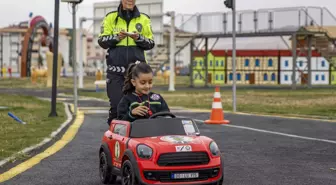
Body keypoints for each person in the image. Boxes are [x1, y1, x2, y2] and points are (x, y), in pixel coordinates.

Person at [97, 0, 155, 125]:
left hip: (136, 74)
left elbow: (150, 43)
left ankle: (136, 139)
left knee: (139, 107)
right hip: (116, 73)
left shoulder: (144, 19)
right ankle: (114, 139)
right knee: (117, 108)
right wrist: (117, 37)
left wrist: (138, 38)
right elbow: (102, 41)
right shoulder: (111, 18)